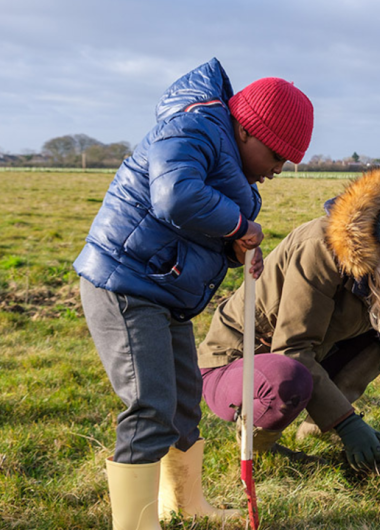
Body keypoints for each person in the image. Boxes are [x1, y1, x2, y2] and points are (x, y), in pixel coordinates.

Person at [74, 57, 314, 529]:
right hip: (124, 285)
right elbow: (175, 197)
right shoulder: (193, 127)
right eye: (277, 154)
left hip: (162, 292)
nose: (280, 168)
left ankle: (184, 503)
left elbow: (191, 225)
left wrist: (234, 246)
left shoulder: (225, 156)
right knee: (150, 405)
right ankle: (135, 524)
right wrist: (239, 225)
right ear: (245, 129)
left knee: (185, 401)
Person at [197, 166, 380, 473]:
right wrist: (349, 424)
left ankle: (318, 426)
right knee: (287, 376)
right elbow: (292, 348)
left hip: (299, 356)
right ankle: (258, 445)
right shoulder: (320, 249)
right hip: (238, 363)